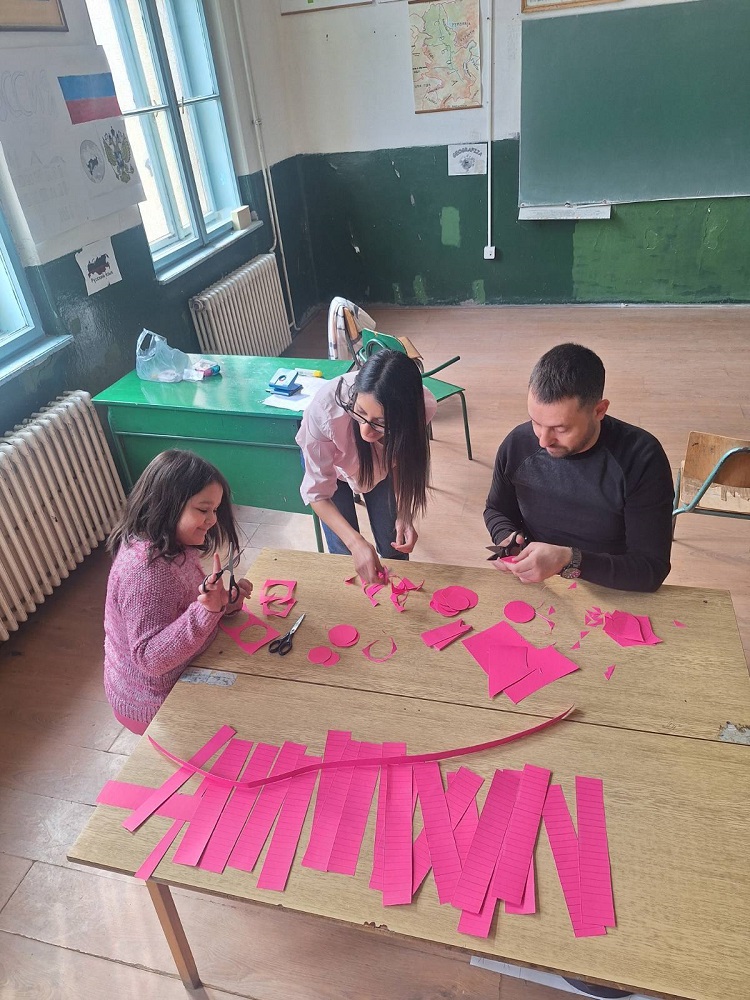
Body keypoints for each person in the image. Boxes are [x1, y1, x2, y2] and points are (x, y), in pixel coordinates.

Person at [484, 343, 674, 592]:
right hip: (537, 580)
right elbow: (496, 510)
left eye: (560, 428)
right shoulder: (517, 445)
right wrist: (507, 538)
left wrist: (568, 560)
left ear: (599, 410)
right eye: (536, 422)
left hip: (612, 583)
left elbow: (650, 570)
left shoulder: (641, 458)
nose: (543, 441)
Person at [103, 450, 252, 734]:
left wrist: (222, 604)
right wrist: (206, 611)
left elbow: (180, 605)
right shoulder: (146, 572)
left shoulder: (171, 544)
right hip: (153, 703)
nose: (212, 520)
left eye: (215, 510)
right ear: (167, 505)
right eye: (203, 510)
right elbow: (149, 659)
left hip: (179, 672)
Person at [296, 349, 436, 584]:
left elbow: (403, 461)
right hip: (332, 469)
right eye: (360, 413)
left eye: (381, 423)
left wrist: (404, 512)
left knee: (393, 542)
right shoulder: (325, 411)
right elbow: (318, 494)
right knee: (346, 552)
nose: (366, 431)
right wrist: (355, 542)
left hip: (381, 466)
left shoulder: (420, 408)